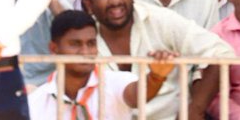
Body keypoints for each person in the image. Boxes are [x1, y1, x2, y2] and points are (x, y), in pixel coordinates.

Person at [80, 0, 231, 120]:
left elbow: (222, 52)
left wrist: (195, 109)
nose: (116, 0)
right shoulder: (82, 39)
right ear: (89, 3)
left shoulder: (160, 20)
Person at [26, 10, 175, 120]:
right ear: (54, 49)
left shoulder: (115, 81)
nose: (85, 52)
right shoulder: (36, 102)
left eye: (91, 44)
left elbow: (136, 96)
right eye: (75, 44)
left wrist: (156, 77)